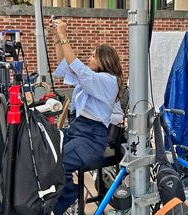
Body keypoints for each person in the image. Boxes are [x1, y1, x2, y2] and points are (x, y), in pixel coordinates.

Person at [51, 18, 124, 215]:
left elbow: (79, 68)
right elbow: (64, 66)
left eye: (93, 55)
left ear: (104, 60)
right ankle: (67, 196)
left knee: (58, 163)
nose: (89, 58)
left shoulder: (109, 81)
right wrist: (58, 39)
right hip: (77, 129)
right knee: (47, 149)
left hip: (92, 137)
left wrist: (64, 36)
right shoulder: (93, 79)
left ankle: (68, 200)